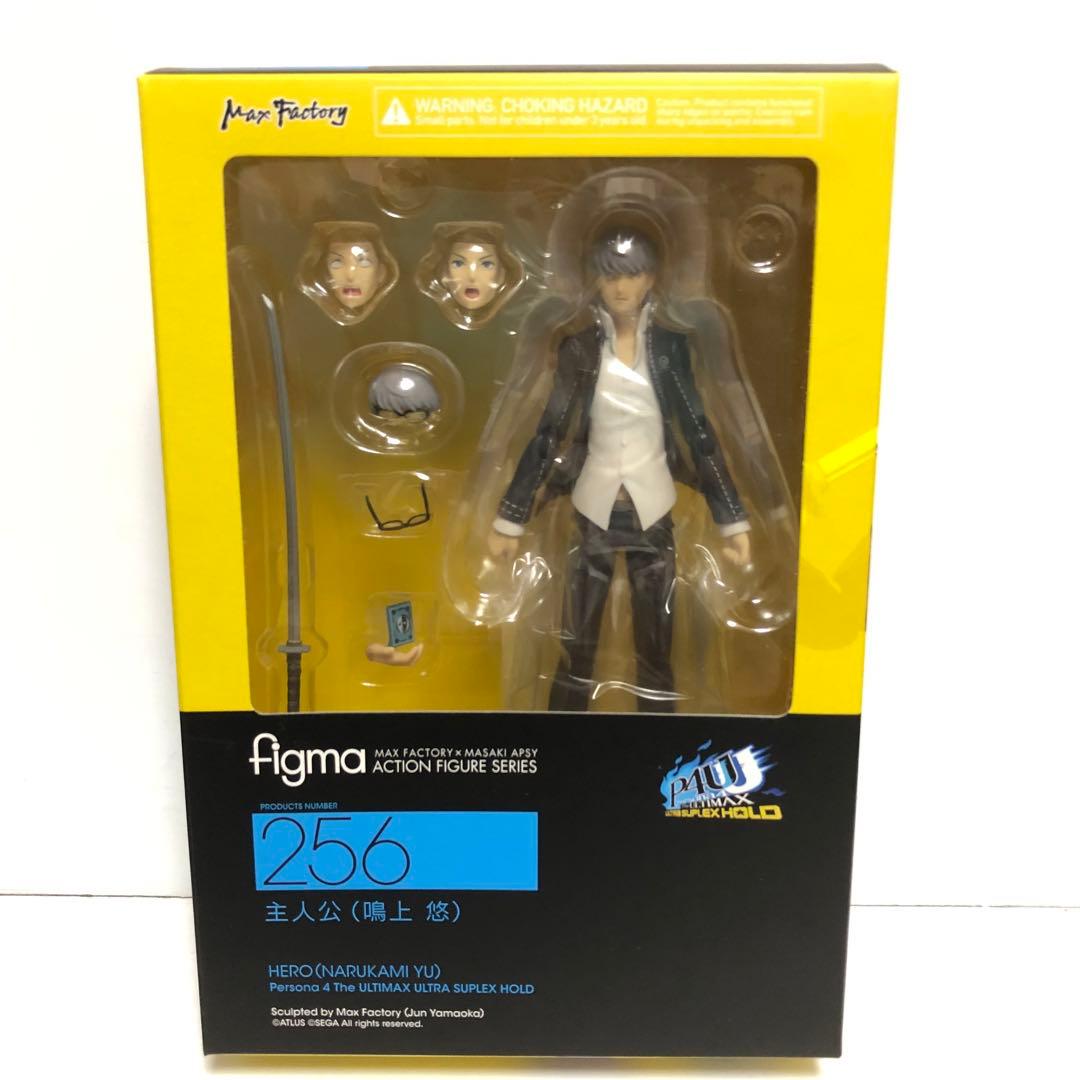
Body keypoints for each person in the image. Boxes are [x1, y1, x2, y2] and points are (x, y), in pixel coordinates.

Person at [488, 226, 751, 712]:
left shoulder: (671, 349)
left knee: (656, 651)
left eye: (631, 275)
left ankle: (657, 746)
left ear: (651, 278)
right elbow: (549, 434)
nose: (621, 287)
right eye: (610, 276)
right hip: (593, 509)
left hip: (654, 511)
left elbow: (699, 432)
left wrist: (731, 519)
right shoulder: (580, 348)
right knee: (577, 648)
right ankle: (561, 742)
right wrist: (511, 519)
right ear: (596, 280)